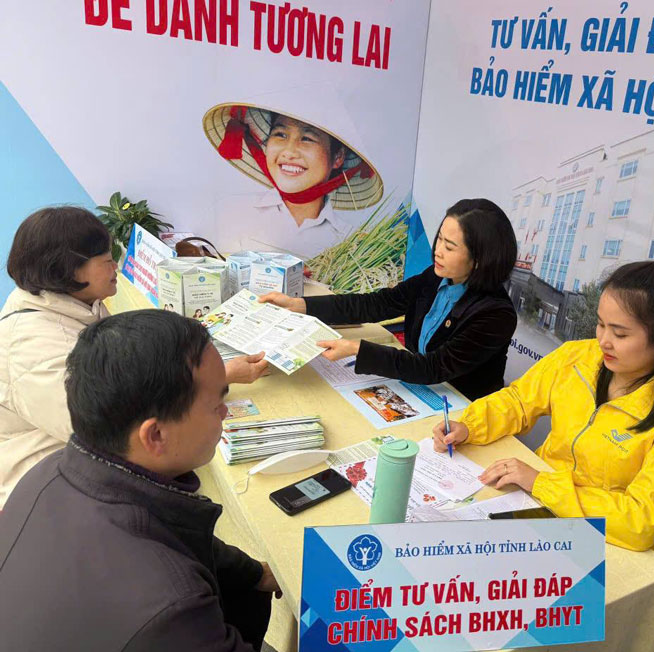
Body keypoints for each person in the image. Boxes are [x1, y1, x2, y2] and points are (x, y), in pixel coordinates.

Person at [0, 310, 280, 650]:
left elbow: (172, 528)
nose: (224, 412)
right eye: (217, 404)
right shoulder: (171, 610)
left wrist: (254, 573)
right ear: (156, 434)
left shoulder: (50, 472)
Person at [432, 257, 654, 552]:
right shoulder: (577, 357)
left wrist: (541, 484)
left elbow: (641, 521)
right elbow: (518, 401)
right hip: (531, 503)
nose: (603, 340)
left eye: (620, 334)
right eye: (601, 324)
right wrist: (469, 426)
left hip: (604, 543)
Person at [0, 207, 268, 507]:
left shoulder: (73, 305)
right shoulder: (33, 345)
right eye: (106, 260)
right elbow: (102, 423)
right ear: (71, 271)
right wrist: (218, 379)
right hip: (42, 485)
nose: (116, 266)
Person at [259, 199, 518, 400]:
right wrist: (300, 305)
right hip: (421, 390)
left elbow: (432, 367)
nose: (437, 251)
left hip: (460, 409)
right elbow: (378, 304)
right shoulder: (438, 275)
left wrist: (359, 350)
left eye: (450, 247)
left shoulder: (495, 314)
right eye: (439, 238)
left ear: (481, 258)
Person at [206, 102, 384, 259]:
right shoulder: (234, 212)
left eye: (307, 139)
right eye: (280, 134)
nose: (289, 152)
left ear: (338, 157)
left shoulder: (349, 240)